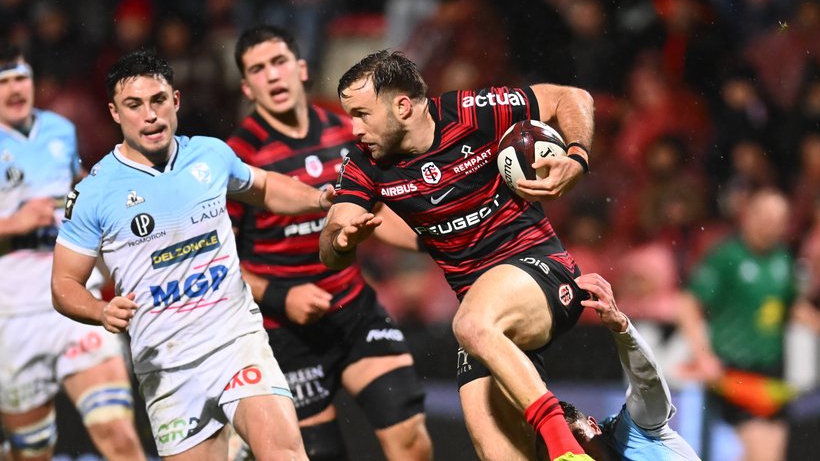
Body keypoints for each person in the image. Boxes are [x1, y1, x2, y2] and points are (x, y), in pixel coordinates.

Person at [50, 49, 331, 460]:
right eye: (134, 105)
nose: (150, 115)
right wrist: (99, 310)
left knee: (284, 453)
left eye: (158, 100)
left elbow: (265, 187)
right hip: (166, 365)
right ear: (114, 112)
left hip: (235, 342)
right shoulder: (93, 193)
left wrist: (321, 200)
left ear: (176, 100)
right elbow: (63, 283)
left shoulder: (210, 155)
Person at [320, 50, 595, 460]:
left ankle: (566, 448)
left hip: (541, 270)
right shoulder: (364, 164)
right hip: (481, 317)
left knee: (469, 323)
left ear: (402, 106)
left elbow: (572, 98)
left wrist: (576, 157)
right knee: (496, 452)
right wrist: (341, 241)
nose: (354, 128)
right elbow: (331, 241)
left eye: (362, 114)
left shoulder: (471, 111)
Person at [227, 25, 431, 460]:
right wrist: (281, 296)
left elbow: (377, 214)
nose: (272, 75)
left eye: (279, 62)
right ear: (246, 87)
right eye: (258, 69)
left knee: (411, 441)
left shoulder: (347, 132)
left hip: (352, 310)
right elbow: (218, 260)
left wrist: (437, 240)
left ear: (301, 69)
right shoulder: (237, 161)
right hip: (283, 333)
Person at [0, 44, 144, 460]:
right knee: (33, 451)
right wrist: (14, 223)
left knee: (119, 436)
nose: (15, 89)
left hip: (73, 302)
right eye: (4, 82)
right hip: (13, 315)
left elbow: (79, 185)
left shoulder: (60, 130)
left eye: (21, 78)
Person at [677, 188, 820, 461]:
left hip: (772, 372)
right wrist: (703, 355)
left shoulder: (783, 258)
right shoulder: (727, 257)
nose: (771, 225)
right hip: (736, 372)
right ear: (749, 216)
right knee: (765, 455)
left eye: (778, 219)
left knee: (769, 454)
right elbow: (689, 304)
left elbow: (792, 307)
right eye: (765, 216)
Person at [559, 273, 701, 461]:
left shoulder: (639, 431)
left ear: (593, 426)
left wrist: (622, 329)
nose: (579, 454)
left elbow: (648, 383)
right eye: (566, 452)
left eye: (579, 438)